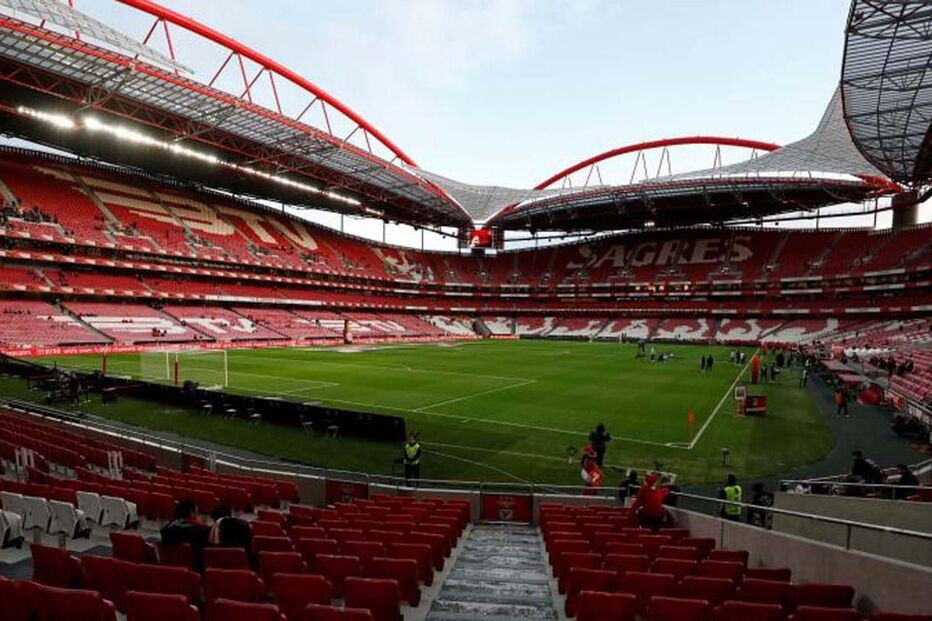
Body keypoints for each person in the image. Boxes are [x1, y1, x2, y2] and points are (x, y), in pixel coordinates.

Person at [160, 500, 211, 569]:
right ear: (191, 513)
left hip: (168, 567)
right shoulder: (203, 530)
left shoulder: (166, 529)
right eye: (197, 512)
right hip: (195, 569)